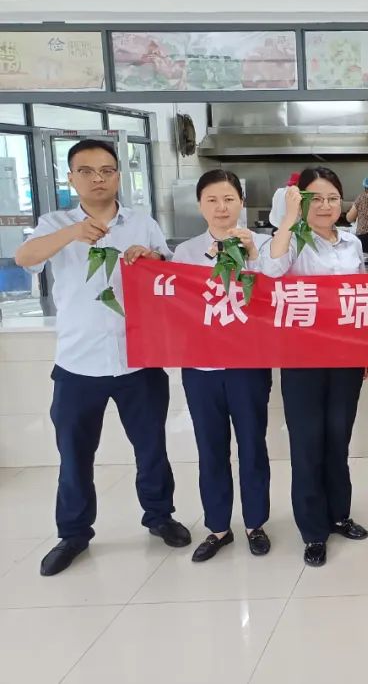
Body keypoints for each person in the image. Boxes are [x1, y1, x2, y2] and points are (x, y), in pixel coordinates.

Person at [14, 139, 190, 577]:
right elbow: (24, 257)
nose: (98, 179)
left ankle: (159, 516)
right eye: (87, 171)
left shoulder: (141, 222)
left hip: (139, 360)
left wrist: (150, 256)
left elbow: (167, 271)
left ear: (118, 176)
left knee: (151, 448)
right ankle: (73, 533)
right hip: (78, 364)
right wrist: (72, 233)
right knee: (75, 455)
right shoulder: (54, 224)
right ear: (71, 177)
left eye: (107, 170)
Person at [264, 166, 368, 567]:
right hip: (302, 359)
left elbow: (361, 296)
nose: (326, 206)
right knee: (307, 444)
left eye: (332, 198)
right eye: (316, 198)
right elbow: (270, 269)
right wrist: (290, 218)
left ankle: (339, 514)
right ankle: (313, 531)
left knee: (338, 439)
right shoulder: (291, 241)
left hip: (345, 357)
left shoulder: (351, 243)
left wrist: (365, 349)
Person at [172, 169, 273, 562]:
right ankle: (217, 527)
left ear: (241, 203)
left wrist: (252, 256)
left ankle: (255, 523)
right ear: (200, 206)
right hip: (202, 368)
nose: (221, 207)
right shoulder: (186, 252)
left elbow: (272, 297)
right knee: (210, 448)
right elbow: (181, 305)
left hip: (249, 364)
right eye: (212, 200)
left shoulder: (261, 245)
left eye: (229, 199)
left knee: (252, 446)